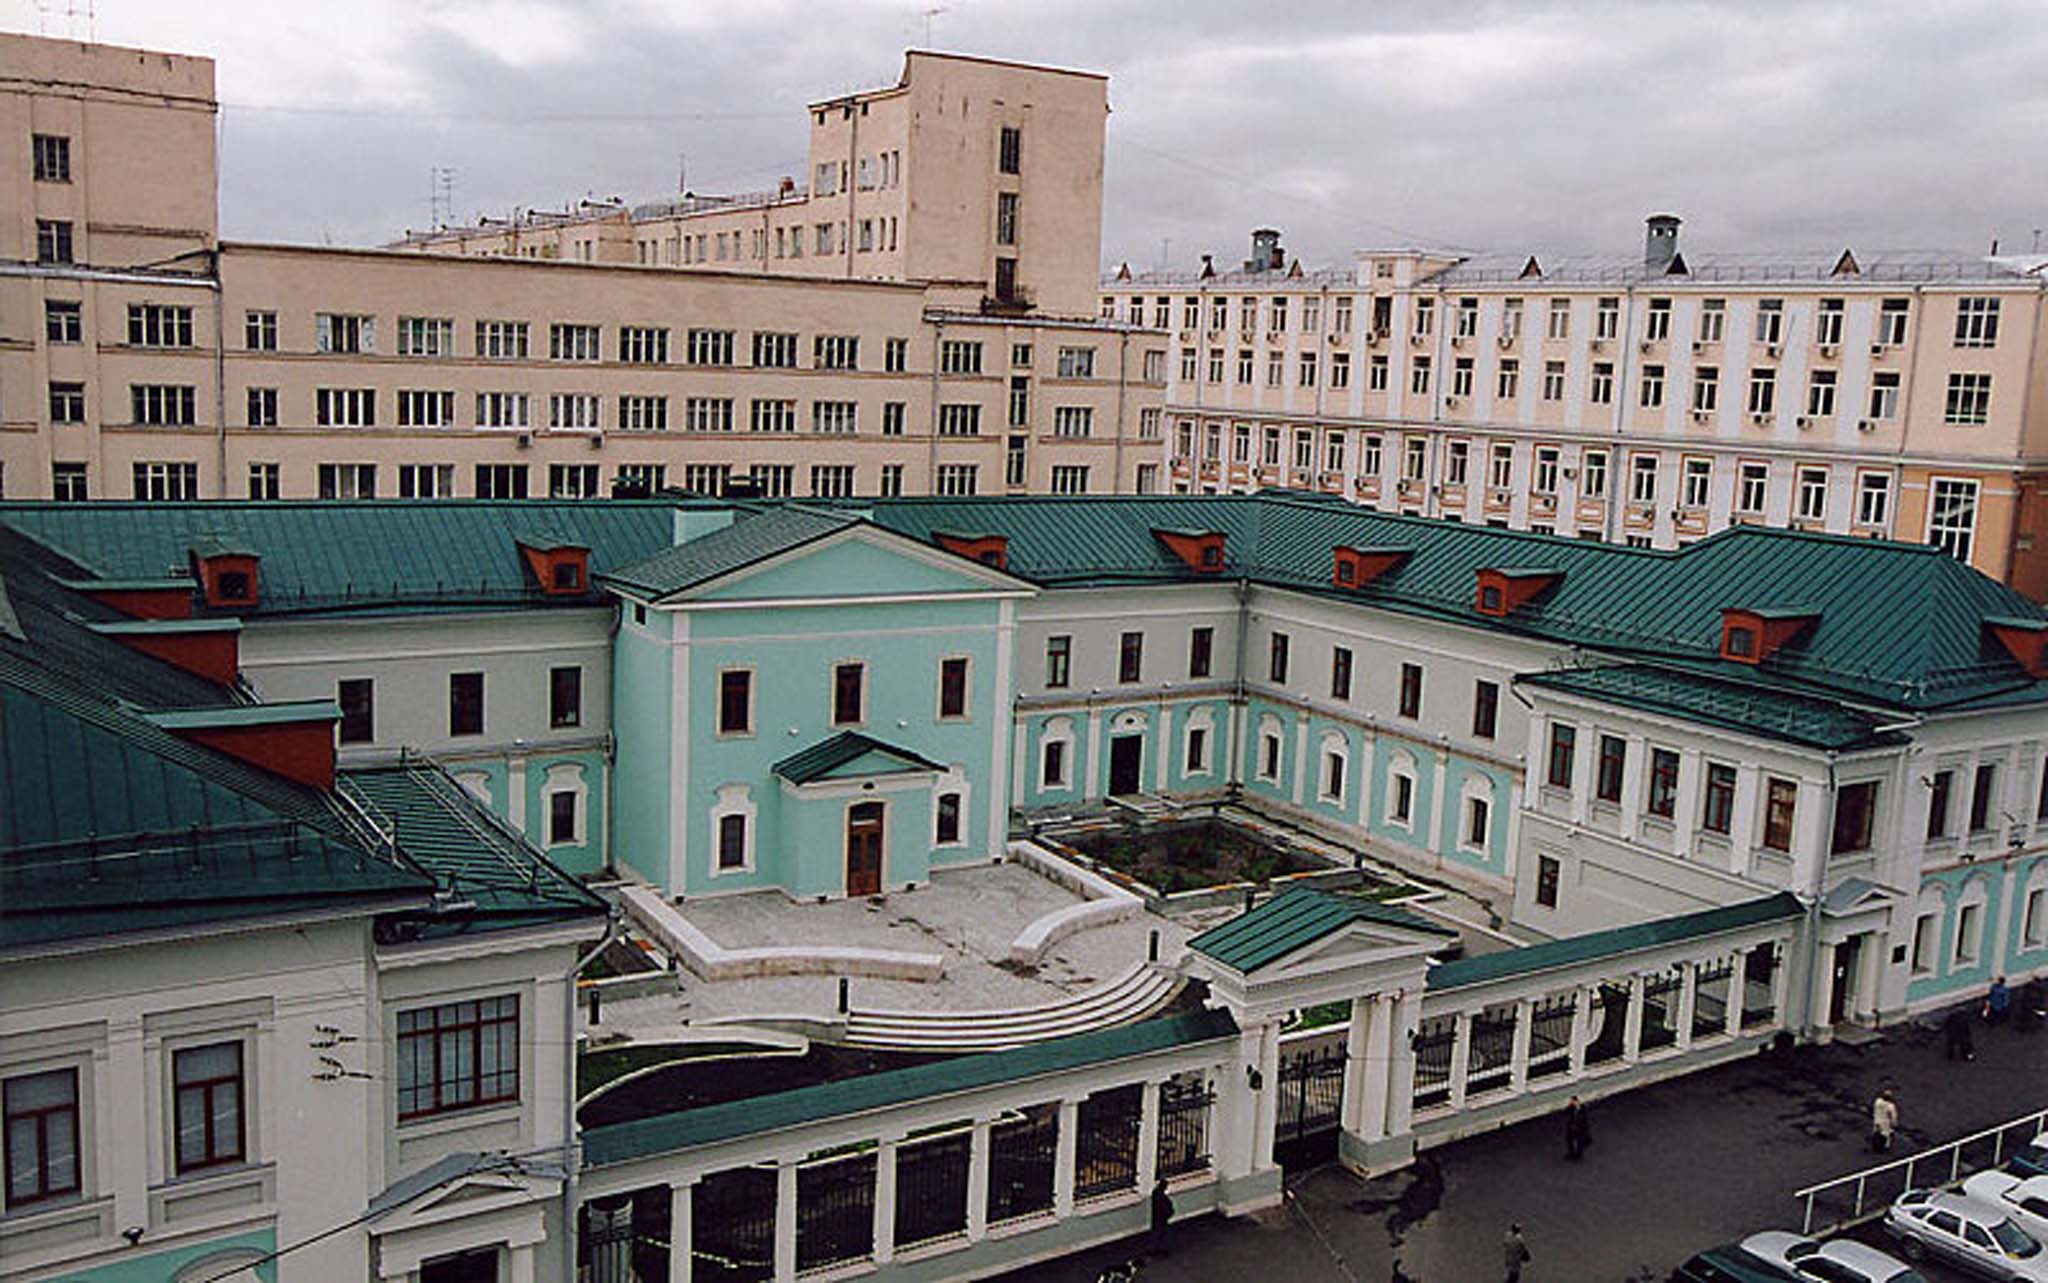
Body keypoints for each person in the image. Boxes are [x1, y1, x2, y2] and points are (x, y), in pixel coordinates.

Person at [1148, 1176, 1173, 1257]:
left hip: (1156, 1217)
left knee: (1156, 1233)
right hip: (1162, 1218)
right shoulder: (1162, 1197)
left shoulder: (1155, 1193)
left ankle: (1153, 1249)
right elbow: (1166, 1207)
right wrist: (1169, 1213)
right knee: (1163, 1234)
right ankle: (1162, 1250)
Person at [1563, 1095, 1591, 1161]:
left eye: (1573, 1101)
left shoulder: (1583, 1109)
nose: (1573, 1103)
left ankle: (1578, 1155)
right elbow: (1566, 1112)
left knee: (1579, 1143)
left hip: (1580, 1129)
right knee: (1570, 1141)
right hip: (1572, 1129)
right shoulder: (1571, 1108)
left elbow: (1584, 1121)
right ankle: (1572, 1153)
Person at [1871, 1088, 1899, 1154]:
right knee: (1885, 1136)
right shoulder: (1890, 1106)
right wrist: (1894, 1124)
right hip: (1885, 1123)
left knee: (1876, 1134)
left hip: (1877, 1120)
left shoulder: (1877, 1101)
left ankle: (1875, 1148)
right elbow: (1893, 1116)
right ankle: (1883, 1149)